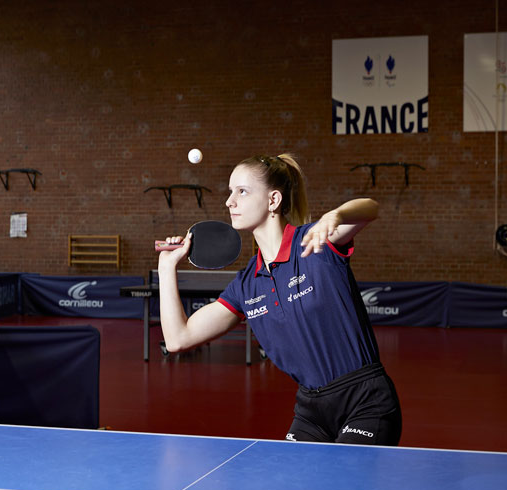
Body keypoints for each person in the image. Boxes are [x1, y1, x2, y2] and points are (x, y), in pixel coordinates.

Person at [158, 153, 401, 445]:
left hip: (365, 400)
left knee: (344, 473)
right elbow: (178, 339)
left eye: (242, 191)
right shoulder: (246, 285)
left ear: (273, 200)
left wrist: (335, 215)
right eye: (230, 192)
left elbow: (370, 208)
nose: (229, 202)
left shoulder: (315, 242)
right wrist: (166, 268)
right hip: (312, 410)